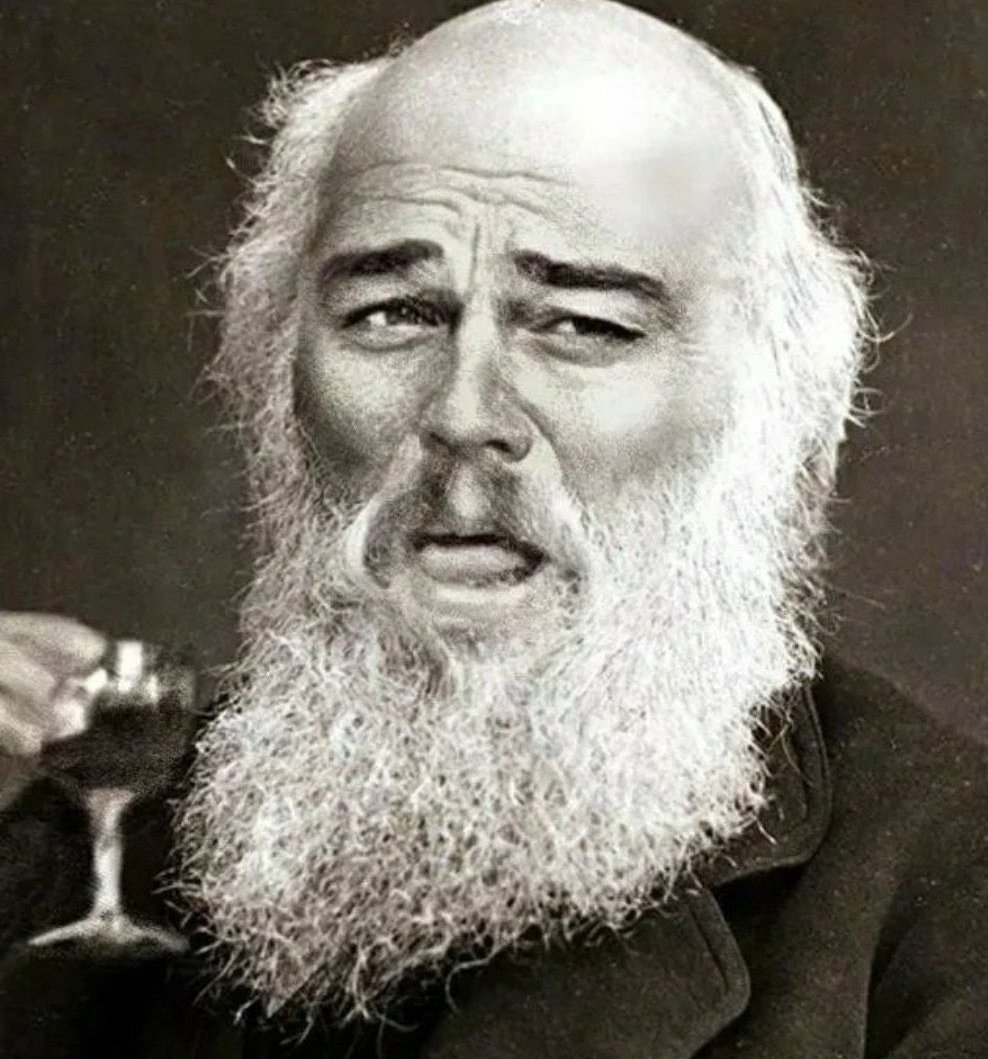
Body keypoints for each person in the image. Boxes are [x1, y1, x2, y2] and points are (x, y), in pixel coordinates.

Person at [1, 0, 987, 1055]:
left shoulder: (945, 909)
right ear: (272, 379)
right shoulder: (75, 849)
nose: (465, 413)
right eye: (394, 314)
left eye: (586, 325)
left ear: (786, 410)